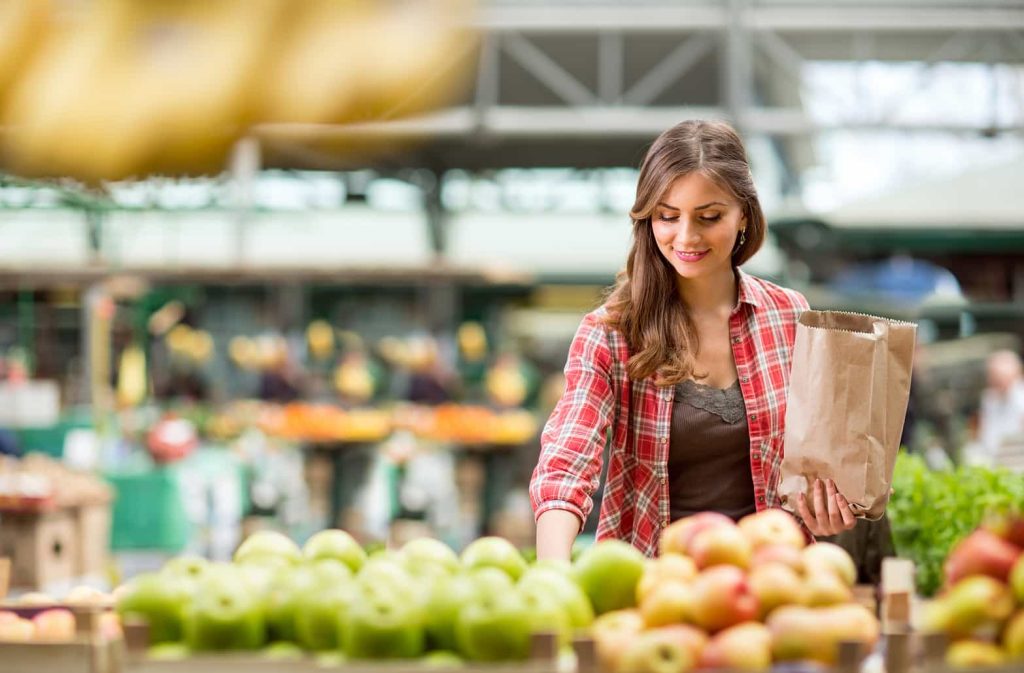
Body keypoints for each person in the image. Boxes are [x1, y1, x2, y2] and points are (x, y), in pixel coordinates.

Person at [529, 120, 857, 561]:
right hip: (654, 587)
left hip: (772, 581)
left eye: (709, 217)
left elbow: (822, 461)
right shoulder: (611, 332)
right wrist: (553, 567)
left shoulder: (788, 316)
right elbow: (568, 458)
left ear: (744, 213)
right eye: (667, 216)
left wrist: (830, 507)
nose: (685, 237)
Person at [977, 349, 1024, 457]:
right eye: (993, 378)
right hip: (997, 458)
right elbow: (986, 435)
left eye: (1000, 378)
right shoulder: (989, 398)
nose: (995, 382)